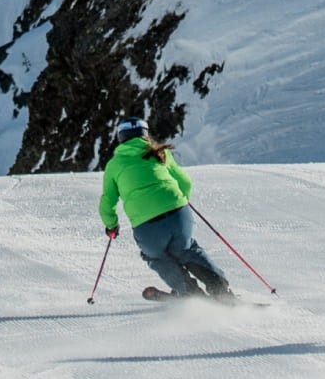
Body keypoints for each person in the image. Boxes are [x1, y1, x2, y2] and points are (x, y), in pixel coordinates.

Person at [99, 115, 233, 301]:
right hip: (178, 214)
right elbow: (185, 182)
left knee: (158, 257)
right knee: (186, 249)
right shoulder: (159, 152)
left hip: (147, 225)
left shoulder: (114, 165)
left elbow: (108, 201)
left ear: (120, 138)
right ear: (145, 133)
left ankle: (191, 294)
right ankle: (220, 290)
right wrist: (181, 200)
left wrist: (111, 225)